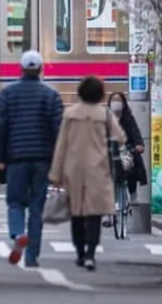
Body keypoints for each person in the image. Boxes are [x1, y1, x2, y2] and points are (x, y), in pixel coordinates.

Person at [0, 50, 64, 268]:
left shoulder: (8, 94)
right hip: (42, 159)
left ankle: (17, 234)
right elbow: (58, 131)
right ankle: (32, 255)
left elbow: (0, 126)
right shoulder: (51, 95)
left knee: (15, 201)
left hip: (17, 158)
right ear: (41, 69)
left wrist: (0, 156)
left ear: (20, 69)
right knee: (37, 207)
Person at [49, 75, 127, 271]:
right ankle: (91, 254)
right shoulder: (105, 115)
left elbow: (61, 145)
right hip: (98, 169)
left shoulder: (70, 114)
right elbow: (121, 138)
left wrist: (55, 174)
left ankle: (80, 253)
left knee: (77, 213)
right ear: (100, 95)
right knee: (94, 214)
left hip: (73, 169)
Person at [107, 91, 148, 201]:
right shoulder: (106, 119)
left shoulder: (128, 118)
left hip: (127, 151)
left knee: (132, 168)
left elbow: (135, 133)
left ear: (124, 103)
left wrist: (139, 145)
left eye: (119, 100)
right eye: (114, 100)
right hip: (110, 152)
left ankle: (133, 194)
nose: (116, 103)